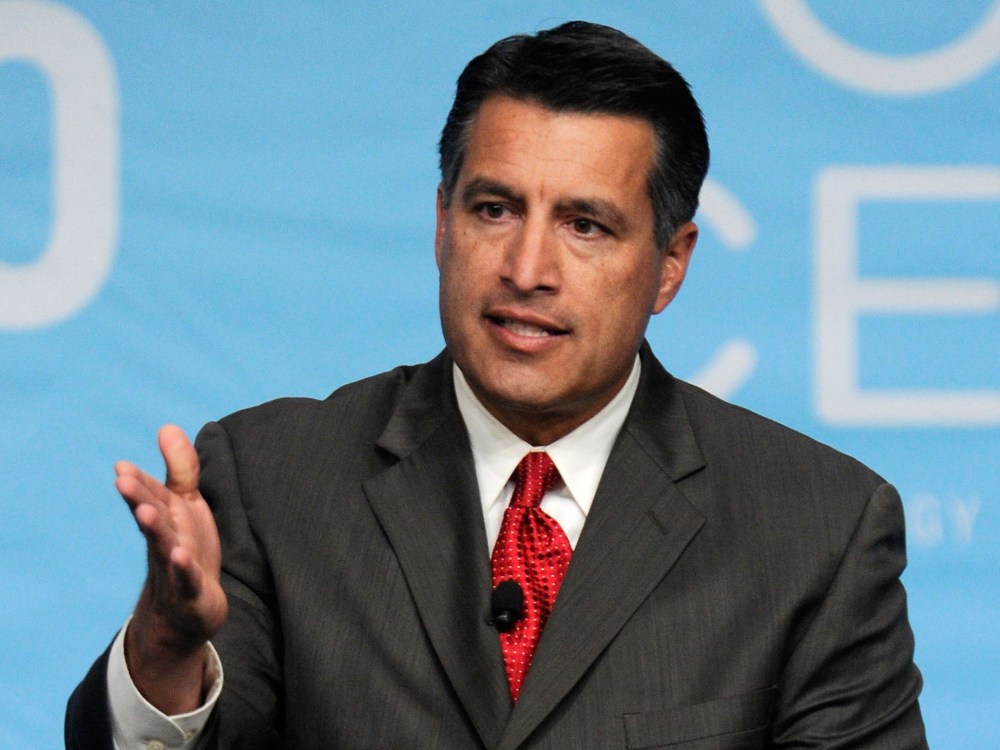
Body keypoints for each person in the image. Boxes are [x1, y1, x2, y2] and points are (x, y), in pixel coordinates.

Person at [66, 20, 927, 750]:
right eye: (495, 210)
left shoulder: (817, 532)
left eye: (585, 226)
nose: (526, 268)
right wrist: (168, 646)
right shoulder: (272, 479)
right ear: (442, 223)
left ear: (670, 264)